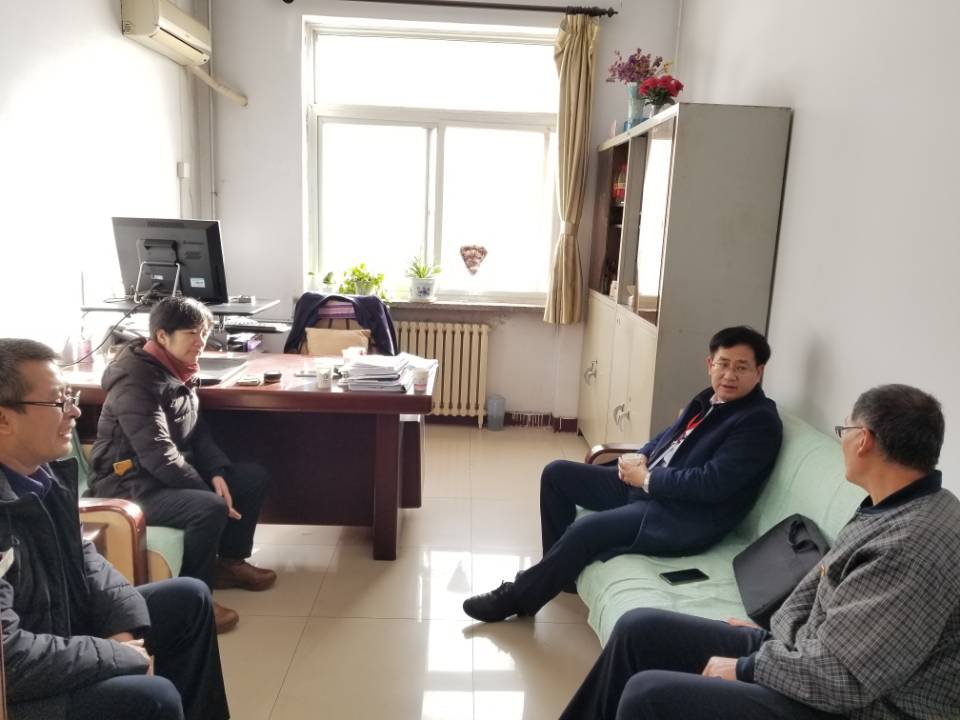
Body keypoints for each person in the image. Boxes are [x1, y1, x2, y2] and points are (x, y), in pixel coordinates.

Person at [561, 383, 960, 720]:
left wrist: (747, 668)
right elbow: (835, 613)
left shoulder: (911, 546)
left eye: (845, 430)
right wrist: (770, 636)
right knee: (639, 629)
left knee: (647, 696)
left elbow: (845, 679)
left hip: (852, 704)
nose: (842, 440)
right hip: (807, 656)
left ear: (864, 440)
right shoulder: (897, 505)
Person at [463, 326, 782, 623]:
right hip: (648, 485)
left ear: (759, 372)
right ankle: (562, 575)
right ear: (710, 363)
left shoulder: (758, 422)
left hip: (681, 513)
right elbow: (668, 436)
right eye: (723, 364)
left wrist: (647, 479)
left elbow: (711, 484)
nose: (729, 375)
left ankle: (518, 598)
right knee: (556, 474)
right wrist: (641, 455)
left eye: (741, 367)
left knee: (585, 530)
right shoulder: (709, 399)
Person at [0, 338, 229, 720]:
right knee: (153, 697)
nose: (74, 411)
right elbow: (9, 659)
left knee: (189, 598)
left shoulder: (42, 477)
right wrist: (116, 655)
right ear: (4, 420)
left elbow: (87, 562)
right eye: (58, 402)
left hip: (57, 631)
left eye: (70, 396)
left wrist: (123, 627)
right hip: (19, 690)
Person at [88, 296, 276, 634]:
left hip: (158, 474)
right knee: (208, 507)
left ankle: (229, 562)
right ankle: (194, 599)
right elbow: (158, 455)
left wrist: (216, 471)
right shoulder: (136, 381)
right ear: (162, 336)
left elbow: (196, 430)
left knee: (250, 478)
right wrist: (209, 492)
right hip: (127, 484)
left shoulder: (177, 368)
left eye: (204, 332)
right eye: (192, 333)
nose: (201, 341)